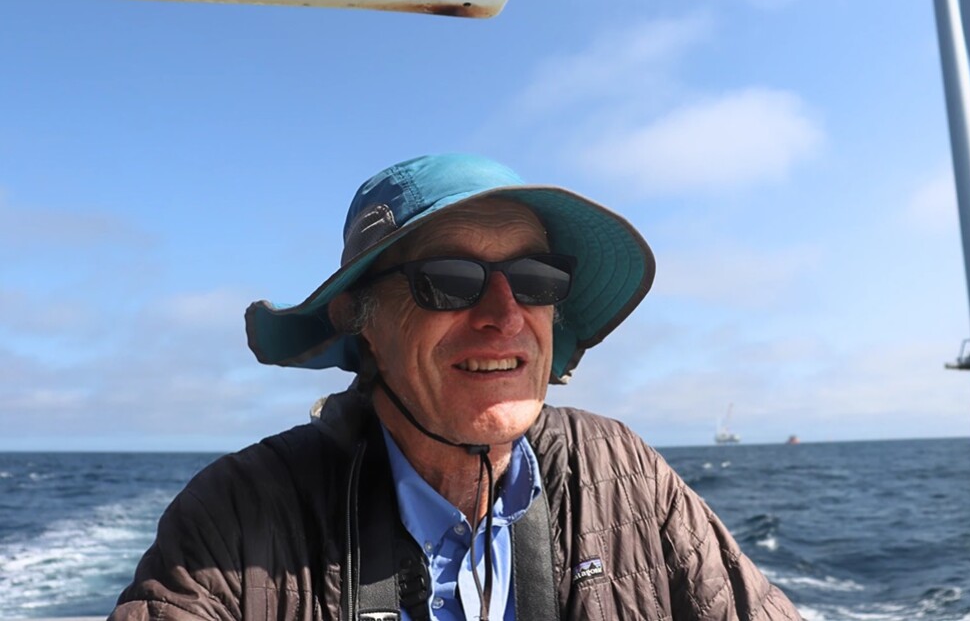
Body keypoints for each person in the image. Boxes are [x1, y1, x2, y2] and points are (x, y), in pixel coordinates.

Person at [110, 153, 801, 621]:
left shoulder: (622, 472)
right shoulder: (237, 517)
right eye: (449, 280)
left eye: (536, 282)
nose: (505, 316)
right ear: (363, 320)